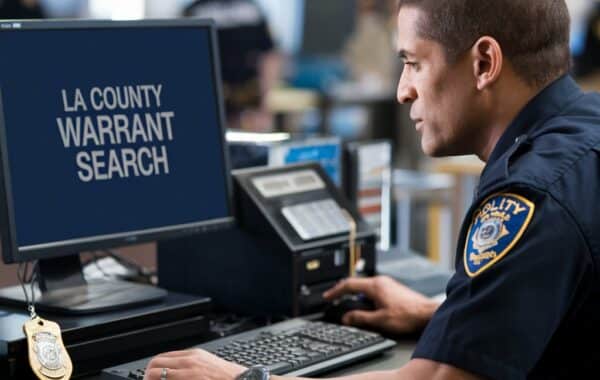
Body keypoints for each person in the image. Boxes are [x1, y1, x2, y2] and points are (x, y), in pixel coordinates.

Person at [144, 1, 600, 379]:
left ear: (484, 64)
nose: (403, 91)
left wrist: (245, 378)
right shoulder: (585, 129)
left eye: (414, 64)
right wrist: (436, 315)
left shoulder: (531, 195)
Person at [183, 0, 282, 132]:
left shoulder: (252, 10)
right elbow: (186, 64)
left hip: (249, 101)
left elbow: (269, 57)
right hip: (211, 101)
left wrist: (266, 103)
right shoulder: (194, 11)